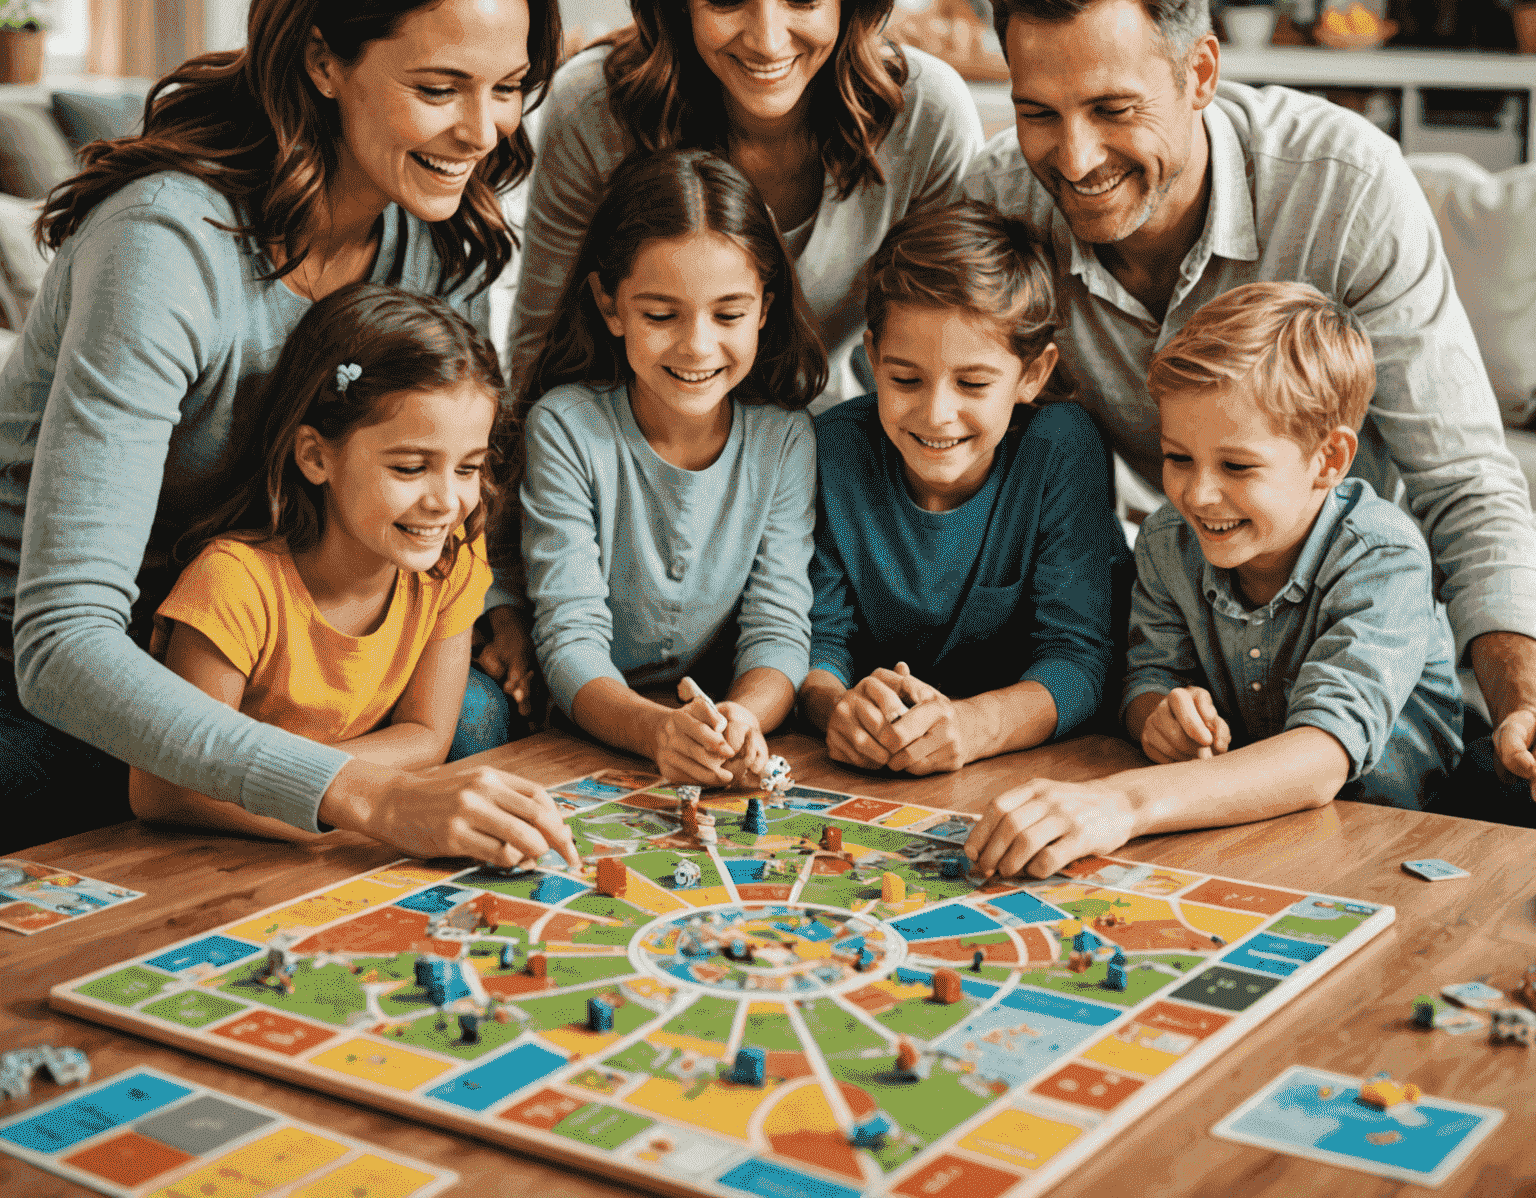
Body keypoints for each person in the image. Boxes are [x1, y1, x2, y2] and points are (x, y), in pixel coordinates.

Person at [1, 0, 572, 862]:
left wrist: (500, 607)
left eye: (510, 89)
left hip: (272, 648)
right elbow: (61, 643)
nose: (482, 135)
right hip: (76, 667)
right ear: (322, 60)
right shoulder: (164, 245)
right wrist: (356, 793)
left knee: (476, 723)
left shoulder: (437, 236)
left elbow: (442, 475)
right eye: (439, 89)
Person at [962, 0, 1536, 820]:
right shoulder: (996, 204)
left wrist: (1521, 702)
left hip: (1348, 661)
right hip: (1188, 654)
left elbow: (1465, 479)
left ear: (1200, 73)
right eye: (1038, 112)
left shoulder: (1344, 185)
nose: (1072, 159)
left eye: (1113, 109)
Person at [964, 284, 1464, 879]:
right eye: (1178, 458)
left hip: (1397, 844)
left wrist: (1122, 801)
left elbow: (1321, 757)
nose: (1197, 495)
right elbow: (1148, 679)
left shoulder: (1384, 557)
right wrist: (1157, 718)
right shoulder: (1166, 541)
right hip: (1241, 828)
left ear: (1329, 461)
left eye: (1237, 466)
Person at [508, 0, 983, 409]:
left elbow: (957, 352)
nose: (767, 39)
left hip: (819, 444)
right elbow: (539, 359)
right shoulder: (592, 108)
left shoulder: (926, 112)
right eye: (727, 0)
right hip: (633, 453)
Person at [131, 285, 577, 869]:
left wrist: (334, 796)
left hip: (337, 844)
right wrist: (355, 797)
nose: (447, 501)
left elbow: (427, 734)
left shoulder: (450, 561)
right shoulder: (233, 585)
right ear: (316, 456)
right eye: (411, 467)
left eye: (469, 467)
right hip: (213, 860)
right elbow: (164, 788)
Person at [516, 147, 826, 787]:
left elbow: (779, 630)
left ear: (765, 309)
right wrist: (656, 730)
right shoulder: (566, 428)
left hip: (711, 740)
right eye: (661, 315)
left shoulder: (785, 438)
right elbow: (569, 642)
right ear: (610, 307)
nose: (697, 346)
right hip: (584, 741)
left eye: (730, 314)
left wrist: (744, 716)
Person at [800, 200, 1128, 774]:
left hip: (1024, 768)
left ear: (1033, 374)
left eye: (973, 383)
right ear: (872, 360)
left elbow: (1079, 660)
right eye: (905, 379)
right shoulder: (832, 450)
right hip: (873, 771)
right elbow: (815, 640)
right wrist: (836, 709)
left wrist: (975, 725)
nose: (936, 414)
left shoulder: (1062, 448)